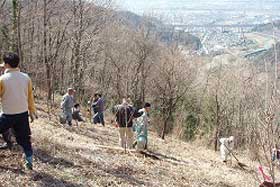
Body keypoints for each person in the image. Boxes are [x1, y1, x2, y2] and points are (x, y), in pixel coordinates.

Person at [0, 52, 37, 170]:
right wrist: (32, 111)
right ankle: (29, 162)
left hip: (8, 114)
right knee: (25, 139)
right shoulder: (26, 78)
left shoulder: (2, 79)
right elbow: (30, 96)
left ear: (6, 64)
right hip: (22, 114)